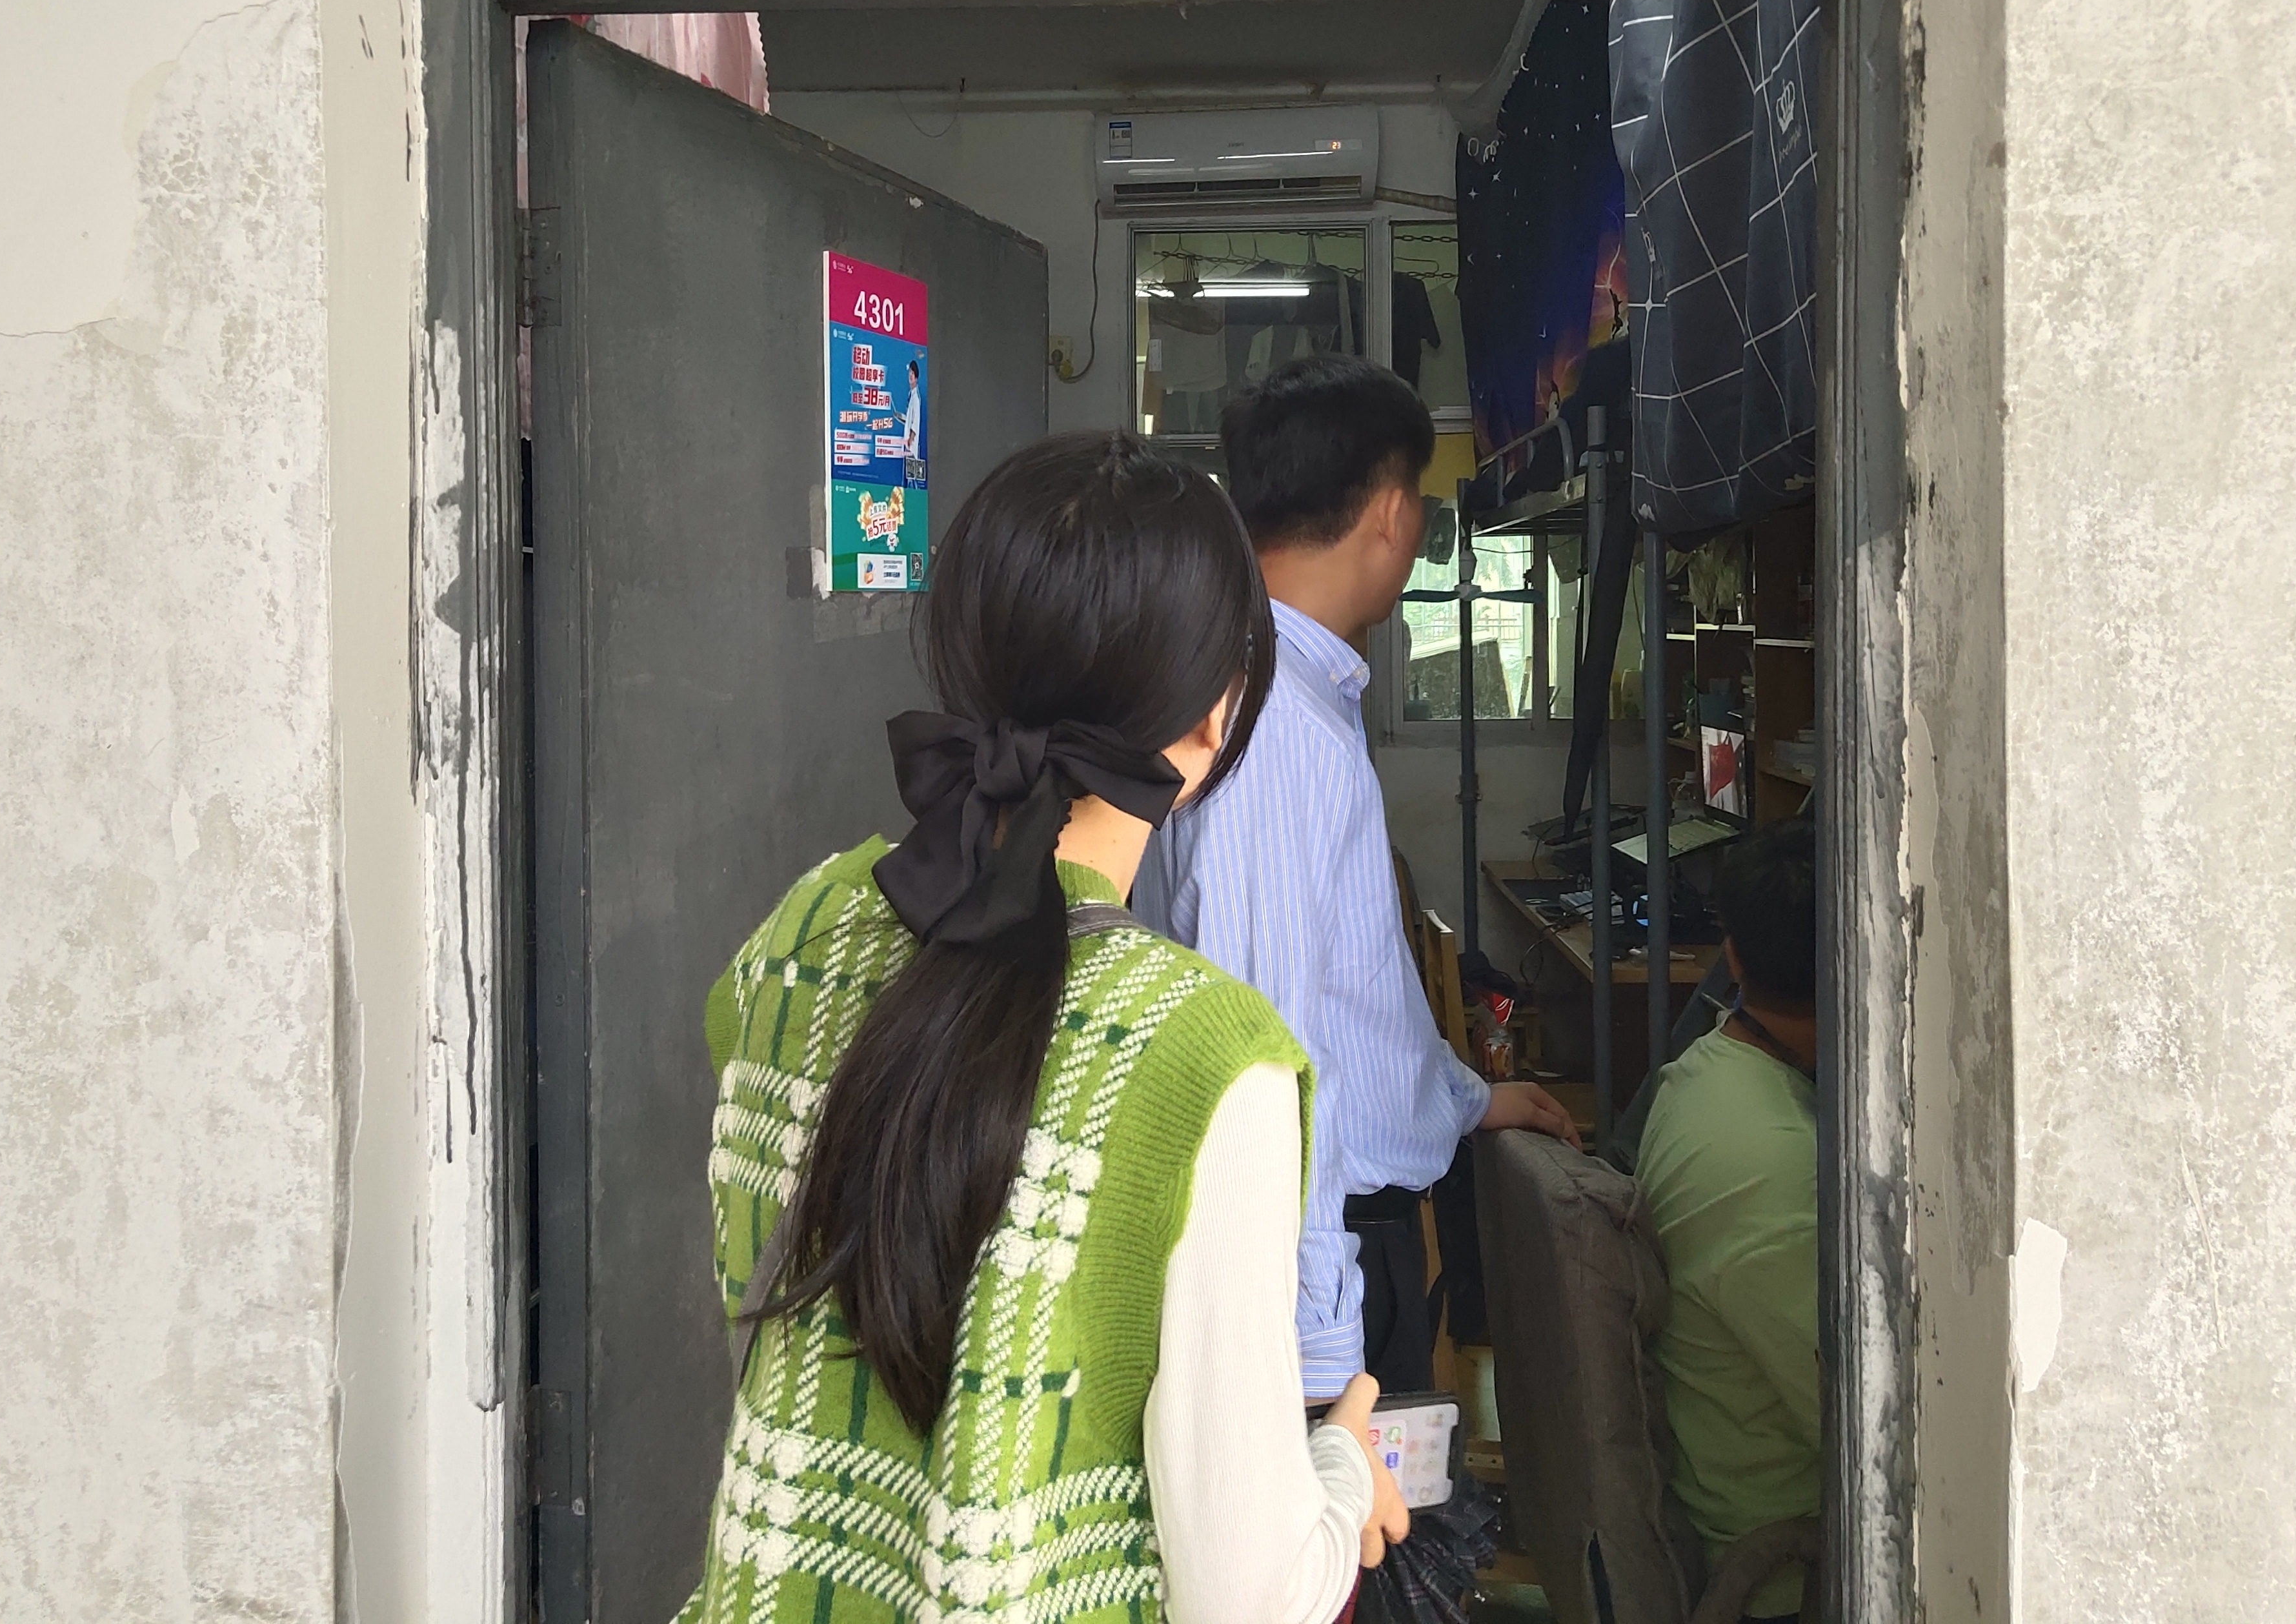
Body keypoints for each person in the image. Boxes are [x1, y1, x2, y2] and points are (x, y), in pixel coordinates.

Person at [684, 431, 1409, 1624]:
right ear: (1216, 715)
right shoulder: (1207, 1059)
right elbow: (1247, 1595)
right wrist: (1339, 1470)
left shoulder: (799, 935)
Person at [1135, 355, 1578, 1403]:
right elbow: (1268, 1053)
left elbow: (1341, 1002)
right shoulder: (1272, 725)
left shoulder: (1278, 685)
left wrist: (1465, 1099)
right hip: (1315, 1275)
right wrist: (1321, 1360)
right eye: (1419, 499)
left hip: (1329, 1243)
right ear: (1389, 512)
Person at [1633, 819, 1820, 1621]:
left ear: (1733, 958)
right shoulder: (1783, 1172)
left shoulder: (1700, 1076)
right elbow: (1874, 1431)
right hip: (1785, 1572)